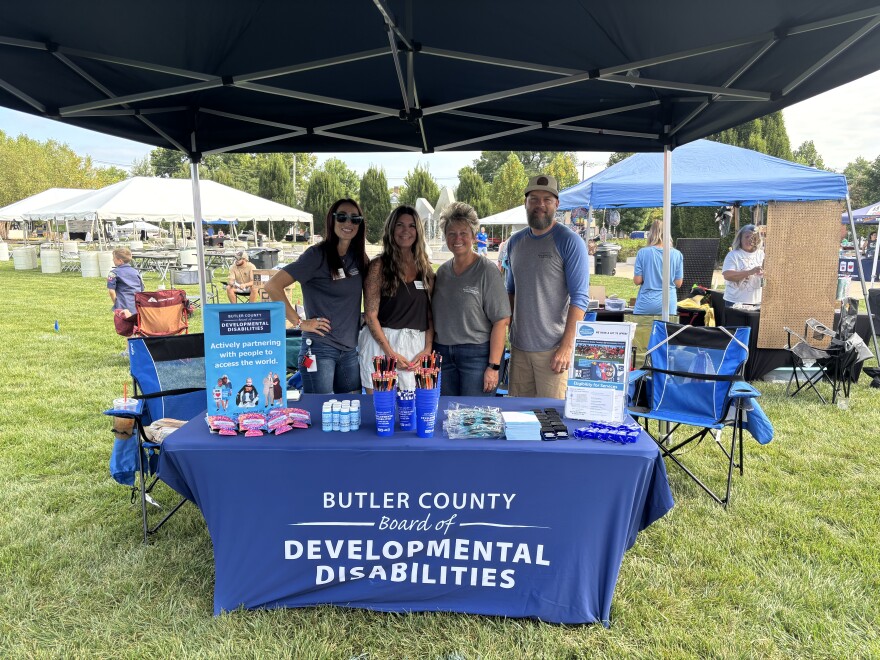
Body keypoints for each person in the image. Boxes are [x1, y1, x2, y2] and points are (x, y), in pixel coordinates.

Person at [264, 199, 368, 394]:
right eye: (342, 217)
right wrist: (299, 322)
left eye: (355, 219)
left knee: (352, 408)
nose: (348, 223)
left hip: (349, 350)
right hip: (319, 349)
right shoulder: (316, 255)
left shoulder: (359, 257)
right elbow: (273, 286)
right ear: (332, 220)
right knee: (321, 410)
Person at [506, 174, 589, 399]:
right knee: (519, 422)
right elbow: (511, 292)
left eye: (547, 199)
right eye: (534, 199)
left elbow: (580, 299)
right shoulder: (515, 242)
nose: (540, 205)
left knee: (551, 421)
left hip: (553, 352)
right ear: (525, 202)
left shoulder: (569, 241)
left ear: (557, 204)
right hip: (520, 349)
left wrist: (566, 347)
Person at [432, 202, 511, 396]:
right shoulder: (442, 273)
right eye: (451, 233)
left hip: (476, 356)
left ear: (474, 236)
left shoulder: (487, 271)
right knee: (445, 415)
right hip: (442, 355)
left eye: (463, 233)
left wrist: (493, 367)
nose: (457, 238)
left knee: (473, 419)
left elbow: (501, 321)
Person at [359, 205, 435, 393]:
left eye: (411, 226)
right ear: (391, 229)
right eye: (400, 225)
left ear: (418, 231)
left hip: (416, 348)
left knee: (411, 413)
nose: (405, 231)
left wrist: (427, 348)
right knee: (381, 413)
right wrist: (390, 353)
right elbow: (370, 315)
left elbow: (430, 314)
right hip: (382, 345)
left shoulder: (425, 269)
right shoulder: (379, 266)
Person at [632, 220, 684, 316]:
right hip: (669, 303)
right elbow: (678, 283)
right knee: (667, 331)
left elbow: (637, 281)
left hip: (646, 303)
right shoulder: (677, 254)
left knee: (642, 331)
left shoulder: (643, 252)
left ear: (651, 233)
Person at [722, 224, 765, 308]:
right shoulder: (733, 255)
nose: (750, 239)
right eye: (747, 237)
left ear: (758, 240)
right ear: (740, 238)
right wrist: (750, 272)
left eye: (753, 237)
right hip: (735, 302)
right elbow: (727, 275)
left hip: (757, 302)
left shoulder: (761, 254)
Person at [107, 247, 144, 317]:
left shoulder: (113, 273)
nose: (112, 260)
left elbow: (111, 291)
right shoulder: (136, 272)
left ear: (120, 261)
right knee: (136, 326)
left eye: (114, 258)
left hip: (122, 305)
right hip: (136, 305)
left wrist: (116, 303)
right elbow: (141, 289)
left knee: (123, 326)